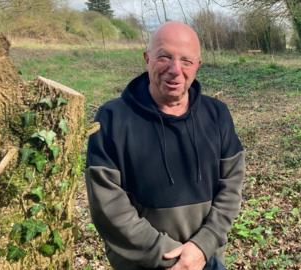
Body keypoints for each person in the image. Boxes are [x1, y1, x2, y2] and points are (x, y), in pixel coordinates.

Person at [85, 21, 245, 270]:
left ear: (198, 66)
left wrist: (202, 246)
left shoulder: (217, 114)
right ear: (147, 58)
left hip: (206, 259)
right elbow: (109, 207)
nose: (175, 69)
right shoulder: (112, 118)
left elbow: (231, 188)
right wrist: (172, 257)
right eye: (164, 57)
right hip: (144, 264)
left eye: (186, 61)